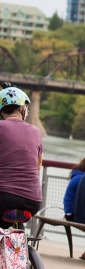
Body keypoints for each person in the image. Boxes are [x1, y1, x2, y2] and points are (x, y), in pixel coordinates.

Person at [0, 82, 43, 224]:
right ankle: (21, 245)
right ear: (23, 109)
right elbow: (38, 166)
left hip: (4, 197)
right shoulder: (36, 131)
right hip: (32, 200)